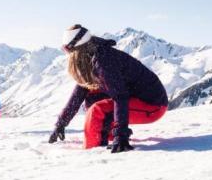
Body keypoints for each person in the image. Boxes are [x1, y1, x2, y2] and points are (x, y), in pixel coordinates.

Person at [48, 24, 168, 153]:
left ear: (76, 47)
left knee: (97, 110)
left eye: (67, 49)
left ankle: (94, 153)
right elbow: (79, 93)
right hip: (135, 97)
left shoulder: (103, 61)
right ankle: (103, 135)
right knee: (92, 96)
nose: (68, 54)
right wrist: (61, 124)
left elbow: (120, 96)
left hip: (152, 105)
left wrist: (121, 135)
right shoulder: (92, 55)